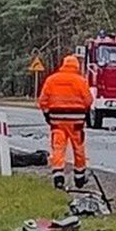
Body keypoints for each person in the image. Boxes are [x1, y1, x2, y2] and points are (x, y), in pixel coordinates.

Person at [37, 54, 93, 189]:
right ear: (76, 66)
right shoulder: (81, 81)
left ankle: (58, 176)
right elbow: (88, 100)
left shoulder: (52, 80)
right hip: (76, 121)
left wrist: (47, 115)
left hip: (57, 121)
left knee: (58, 147)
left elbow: (42, 101)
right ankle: (79, 177)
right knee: (78, 148)